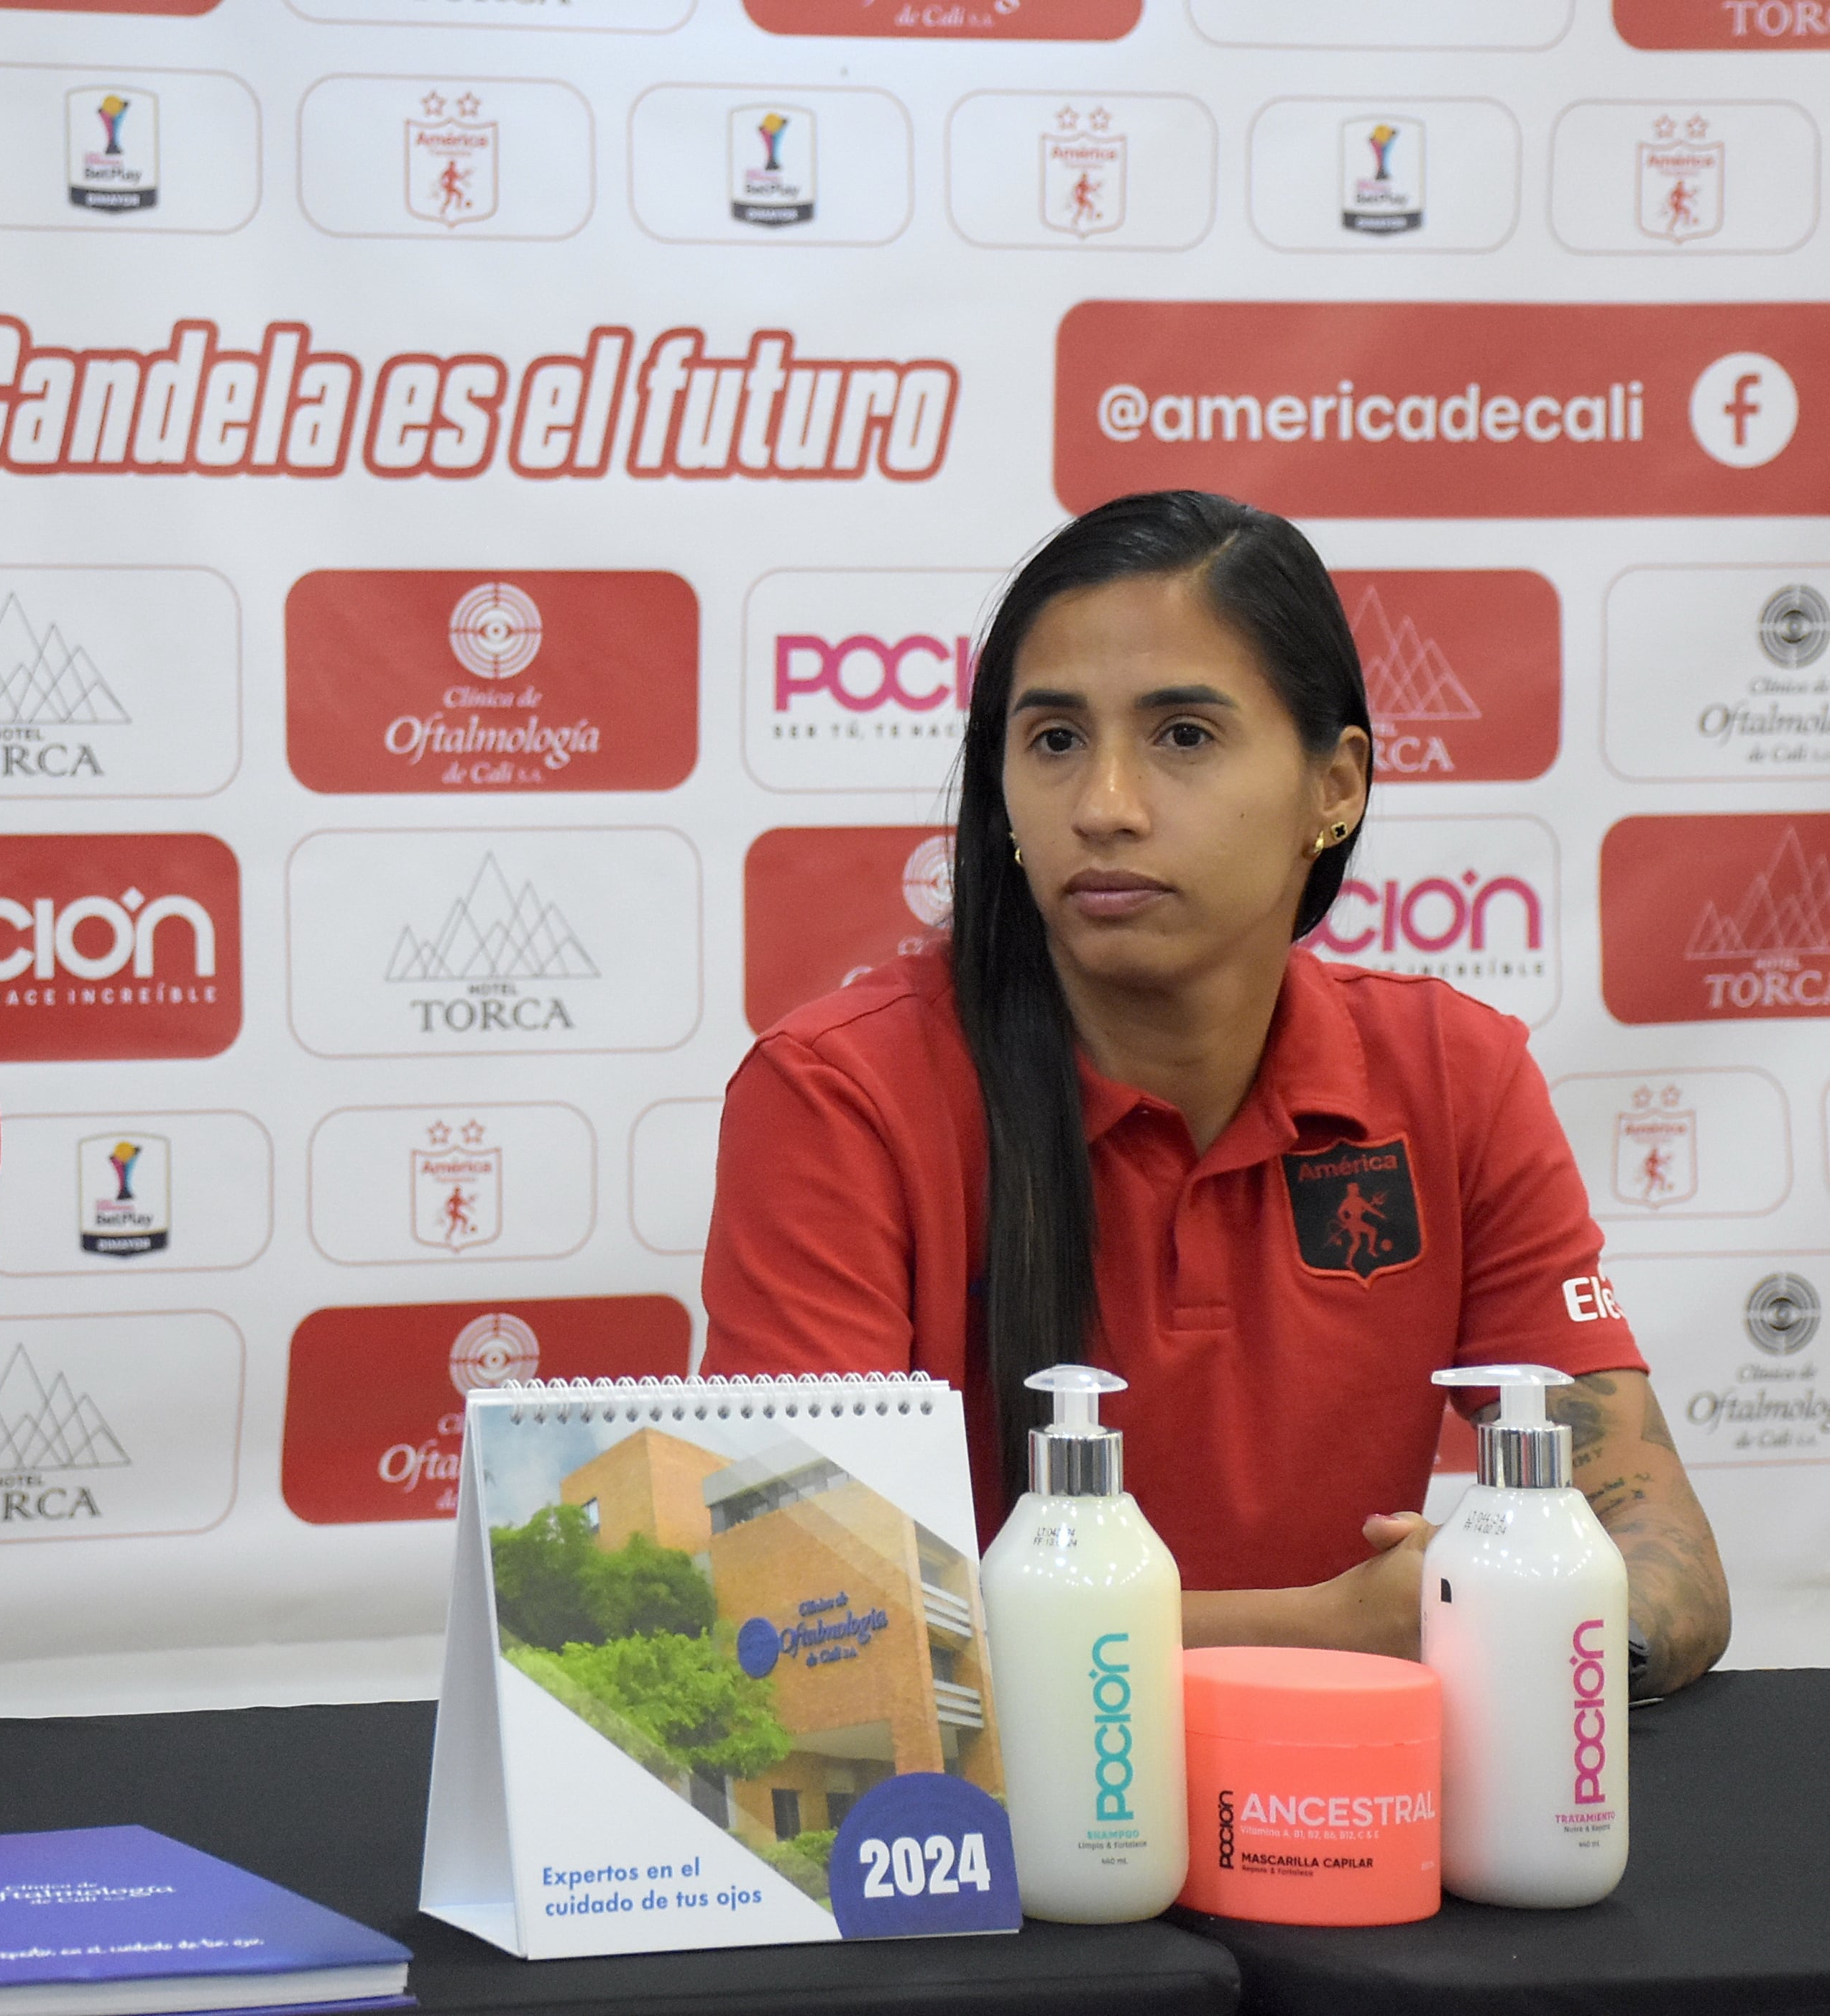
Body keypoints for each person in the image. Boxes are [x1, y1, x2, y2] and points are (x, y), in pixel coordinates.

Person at [702, 490, 1730, 1695]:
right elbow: (809, 1616)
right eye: (1053, 740)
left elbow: (1666, 1556)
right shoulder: (840, 1096)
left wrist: (1531, 1625)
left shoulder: (1455, 1074)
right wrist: (1331, 1629)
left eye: (1183, 735)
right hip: (992, 1854)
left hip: (1362, 1828)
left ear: (1335, 786)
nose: (1105, 805)